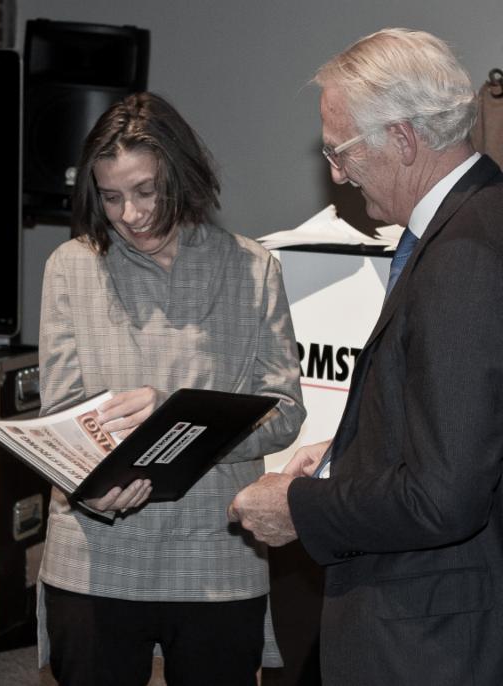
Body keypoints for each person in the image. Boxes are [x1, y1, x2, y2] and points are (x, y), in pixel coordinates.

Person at [230, 28, 503, 686]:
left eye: (340, 152)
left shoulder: (462, 254)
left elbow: (445, 498)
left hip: (431, 642)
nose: (335, 174)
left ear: (404, 139)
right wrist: (337, 465)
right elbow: (463, 433)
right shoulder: (480, 220)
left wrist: (299, 506)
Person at [37, 92, 305, 686]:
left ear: (182, 178)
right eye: (110, 197)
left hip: (216, 556)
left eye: (145, 191)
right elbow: (58, 414)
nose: (129, 214)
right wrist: (85, 483)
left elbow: (285, 413)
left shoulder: (252, 269)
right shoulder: (71, 268)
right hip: (95, 559)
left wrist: (178, 418)